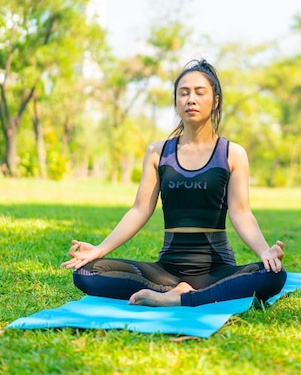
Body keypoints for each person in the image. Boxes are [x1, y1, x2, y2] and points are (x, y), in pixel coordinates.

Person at [61, 59, 287, 307]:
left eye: (200, 93)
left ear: (216, 101)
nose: (191, 99)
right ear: (176, 101)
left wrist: (264, 251)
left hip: (216, 271)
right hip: (166, 272)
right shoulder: (158, 152)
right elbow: (140, 210)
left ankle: (182, 298)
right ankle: (179, 292)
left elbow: (242, 213)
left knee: (274, 275)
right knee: (85, 272)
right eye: (183, 93)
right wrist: (99, 250)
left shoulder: (233, 154)